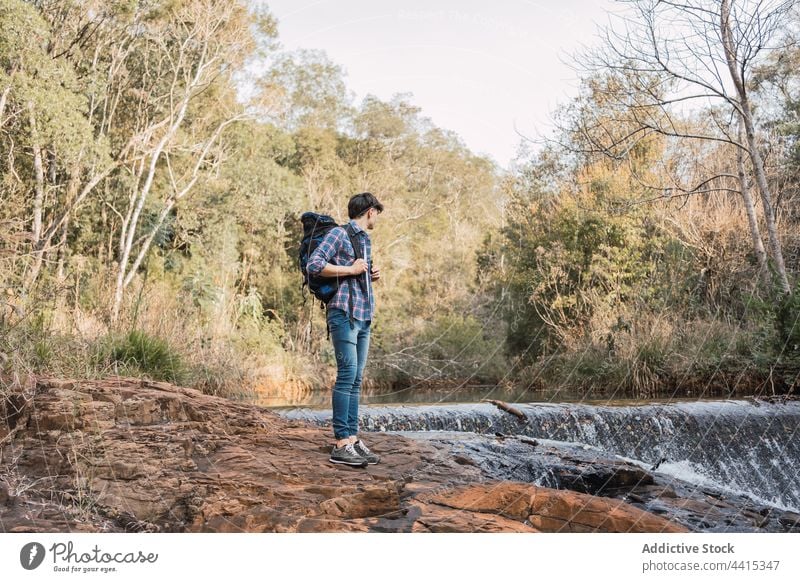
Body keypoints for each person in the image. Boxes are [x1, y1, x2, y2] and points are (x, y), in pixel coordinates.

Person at [306, 192, 384, 466]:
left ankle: (351, 438)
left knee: (356, 378)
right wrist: (350, 270)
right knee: (347, 374)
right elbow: (313, 265)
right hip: (343, 313)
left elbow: (358, 272)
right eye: (377, 213)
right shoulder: (339, 234)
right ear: (370, 212)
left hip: (363, 315)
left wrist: (369, 274)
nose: (377, 218)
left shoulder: (366, 240)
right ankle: (340, 443)